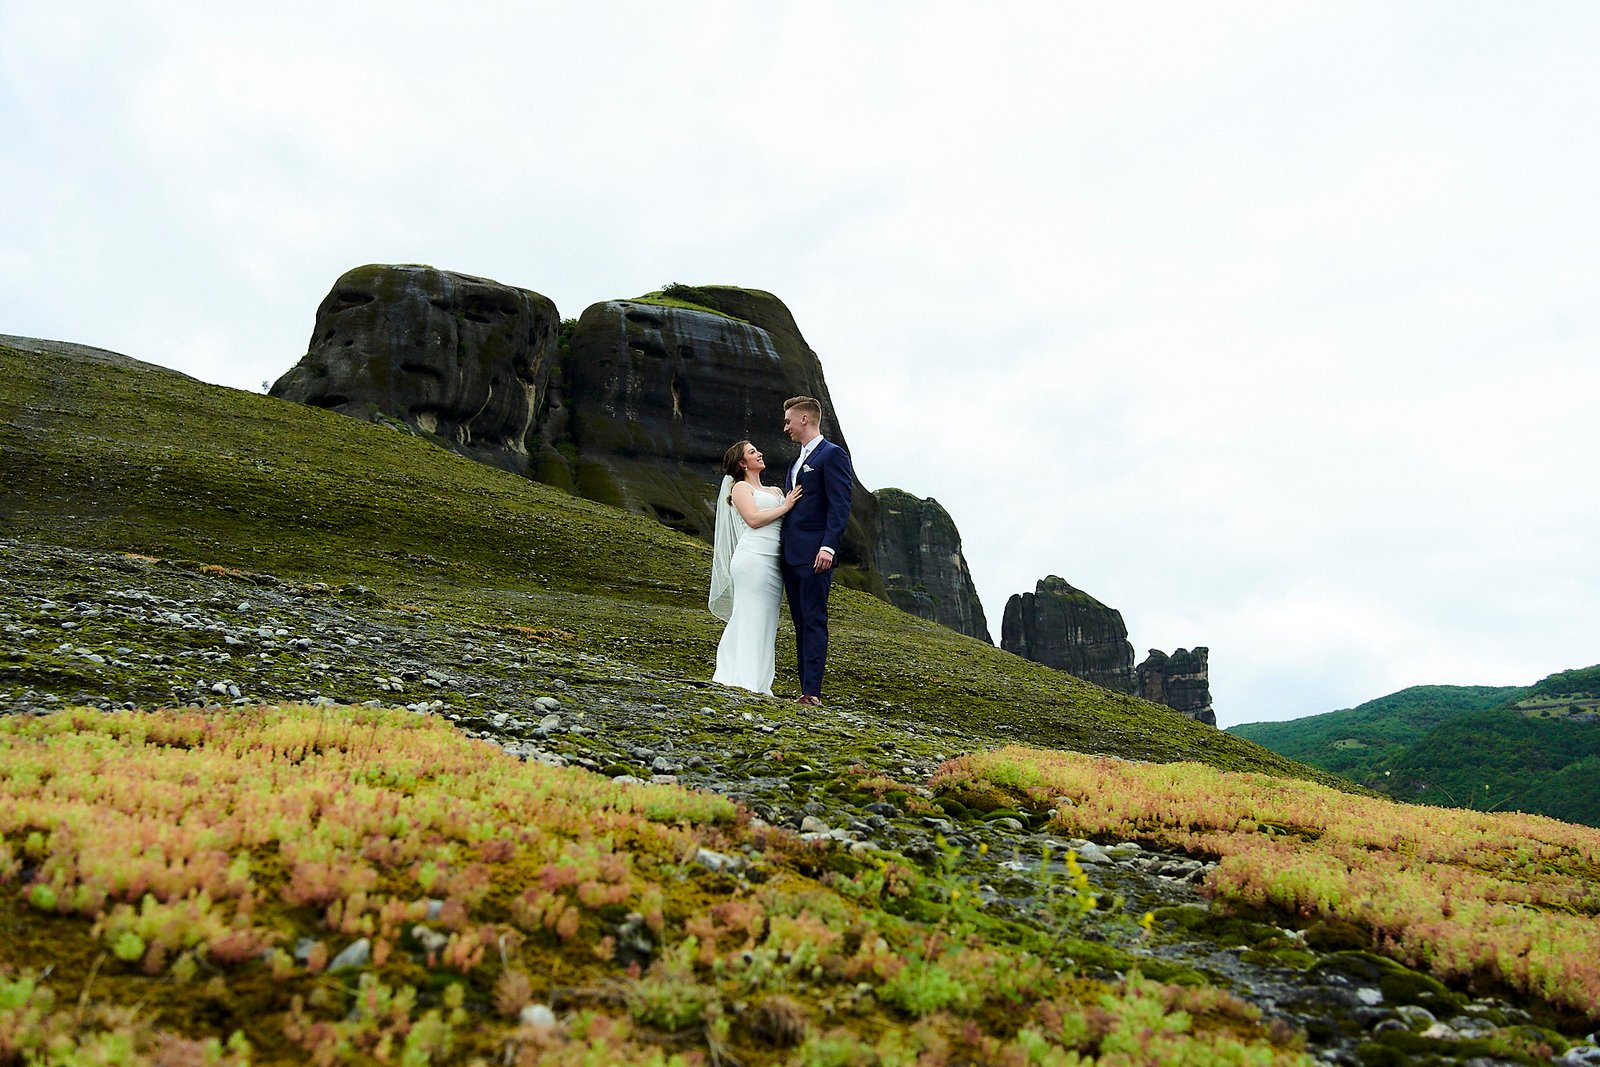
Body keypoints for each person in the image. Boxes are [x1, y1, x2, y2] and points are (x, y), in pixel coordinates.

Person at [710, 440, 802, 694]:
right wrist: (785, 506)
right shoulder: (740, 487)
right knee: (748, 615)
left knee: (766, 620)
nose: (759, 453)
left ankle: (761, 682)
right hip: (753, 558)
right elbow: (752, 519)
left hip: (773, 563)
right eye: (752, 452)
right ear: (742, 463)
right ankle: (738, 675)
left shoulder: (774, 490)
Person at [780, 396, 853, 706]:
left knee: (813, 620)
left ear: (805, 419)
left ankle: (812, 692)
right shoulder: (796, 462)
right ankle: (804, 689)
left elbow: (840, 504)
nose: (786, 428)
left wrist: (828, 546)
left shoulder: (832, 455)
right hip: (791, 555)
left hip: (815, 555)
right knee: (800, 622)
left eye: (788, 421)